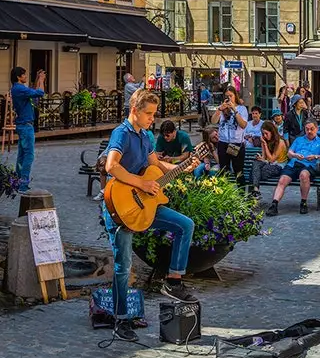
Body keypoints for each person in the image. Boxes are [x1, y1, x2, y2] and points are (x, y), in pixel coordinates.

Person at [101, 88, 198, 343]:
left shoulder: (145, 136)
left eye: (154, 114)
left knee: (185, 225)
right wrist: (141, 184)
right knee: (124, 267)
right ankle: (121, 320)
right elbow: (111, 166)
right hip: (120, 207)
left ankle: (173, 281)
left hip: (145, 207)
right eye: (148, 114)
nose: (151, 119)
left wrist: (182, 168)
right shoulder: (121, 133)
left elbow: (155, 165)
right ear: (134, 110)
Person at [271, 119, 320, 216]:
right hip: (294, 163)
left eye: (312, 129)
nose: (309, 131)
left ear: (316, 129)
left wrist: (316, 156)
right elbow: (289, 153)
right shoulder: (299, 140)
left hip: (309, 165)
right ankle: (274, 204)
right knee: (282, 180)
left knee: (304, 175)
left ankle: (303, 202)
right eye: (307, 129)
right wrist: (295, 155)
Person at [9, 67, 45, 187]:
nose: (25, 77)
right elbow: (40, 93)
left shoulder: (17, 88)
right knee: (29, 154)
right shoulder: (19, 89)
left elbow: (32, 93)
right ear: (19, 77)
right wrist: (41, 80)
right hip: (25, 125)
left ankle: (18, 181)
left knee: (21, 154)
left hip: (23, 124)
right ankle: (23, 182)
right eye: (24, 75)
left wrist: (37, 80)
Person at [214, 86, 250, 192]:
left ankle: (242, 195)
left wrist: (234, 110)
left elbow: (243, 125)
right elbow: (214, 121)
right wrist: (219, 109)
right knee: (223, 170)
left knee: (238, 170)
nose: (229, 98)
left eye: (231, 96)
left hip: (236, 143)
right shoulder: (222, 109)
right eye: (227, 96)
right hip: (223, 142)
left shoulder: (242, 109)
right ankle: (224, 194)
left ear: (235, 96)